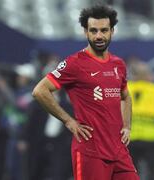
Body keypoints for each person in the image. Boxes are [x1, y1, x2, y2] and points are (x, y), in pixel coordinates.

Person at [32, 4, 139, 180]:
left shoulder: (118, 64)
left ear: (112, 31)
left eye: (104, 30)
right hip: (91, 151)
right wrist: (68, 121)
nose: (99, 35)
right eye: (93, 30)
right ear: (85, 32)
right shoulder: (75, 63)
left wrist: (127, 126)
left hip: (119, 150)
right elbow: (39, 91)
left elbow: (125, 96)